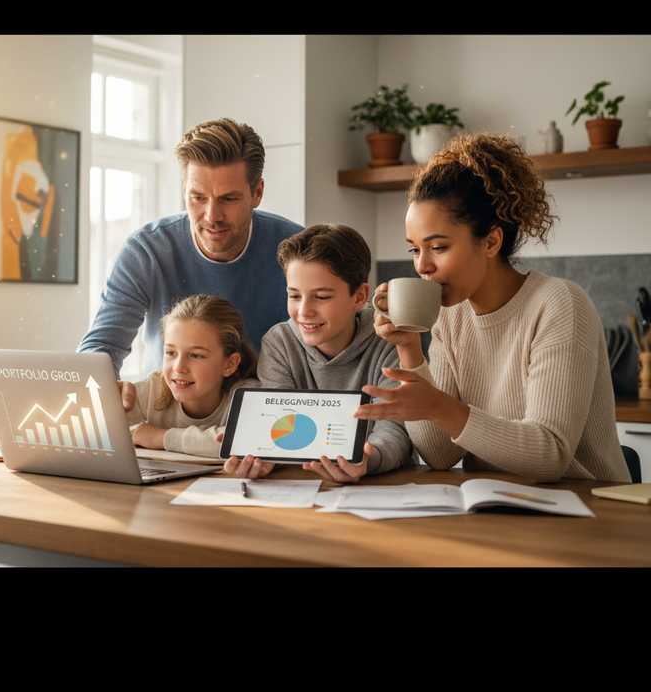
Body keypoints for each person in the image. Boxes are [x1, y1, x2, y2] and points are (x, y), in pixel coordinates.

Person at [358, 132, 630, 483]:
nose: (421, 266)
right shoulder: (451, 317)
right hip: (500, 508)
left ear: (490, 241)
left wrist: (442, 406)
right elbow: (439, 454)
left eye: (437, 247)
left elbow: (549, 455)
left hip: (590, 509)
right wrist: (408, 347)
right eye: (414, 249)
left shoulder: (559, 304)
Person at [77, 118, 302, 385]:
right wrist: (106, 390)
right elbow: (101, 348)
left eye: (228, 199)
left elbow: (340, 339)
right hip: (169, 410)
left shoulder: (298, 250)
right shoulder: (147, 251)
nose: (211, 216)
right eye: (198, 197)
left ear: (257, 192)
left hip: (269, 415)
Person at [223, 224, 414, 482]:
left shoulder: (388, 339)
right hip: (301, 486)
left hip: (380, 486)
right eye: (294, 295)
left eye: (321, 297)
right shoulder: (279, 342)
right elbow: (280, 425)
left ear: (359, 296)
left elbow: (396, 427)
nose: (304, 311)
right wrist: (260, 453)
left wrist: (368, 458)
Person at [124, 295, 259, 458]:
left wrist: (161, 438)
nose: (178, 367)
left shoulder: (248, 396)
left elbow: (244, 441)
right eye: (170, 353)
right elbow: (100, 430)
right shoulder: (154, 389)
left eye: (196, 355)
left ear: (229, 364)